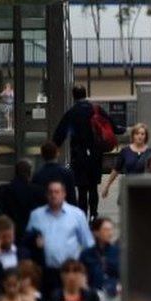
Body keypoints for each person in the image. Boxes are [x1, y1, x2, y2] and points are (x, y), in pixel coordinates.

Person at [52, 85, 126, 220]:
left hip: (78, 155)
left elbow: (59, 135)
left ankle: (82, 215)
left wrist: (54, 148)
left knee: (81, 188)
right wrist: (121, 130)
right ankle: (94, 214)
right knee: (93, 187)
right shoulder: (96, 109)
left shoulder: (72, 112)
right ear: (86, 94)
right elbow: (112, 126)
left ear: (73, 96)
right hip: (95, 154)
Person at [26, 181, 94, 293]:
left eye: (57, 192)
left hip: (70, 272)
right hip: (45, 271)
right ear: (47, 195)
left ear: (64, 194)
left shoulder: (76, 214)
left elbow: (88, 243)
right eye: (51, 192)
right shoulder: (36, 215)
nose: (53, 195)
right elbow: (27, 241)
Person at [0, 161, 45, 243]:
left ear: (15, 172)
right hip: (30, 243)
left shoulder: (0, 191)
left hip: (5, 241)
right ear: (30, 174)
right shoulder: (39, 192)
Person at [101, 122, 151, 199]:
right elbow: (116, 170)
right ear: (133, 135)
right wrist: (107, 186)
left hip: (145, 190)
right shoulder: (125, 151)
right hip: (129, 189)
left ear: (146, 136)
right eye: (137, 134)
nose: (140, 136)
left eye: (142, 134)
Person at [79, 216, 120, 301]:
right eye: (106, 230)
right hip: (94, 295)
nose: (110, 233)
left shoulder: (118, 252)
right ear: (96, 232)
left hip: (115, 295)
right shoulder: (86, 254)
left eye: (111, 230)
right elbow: (82, 276)